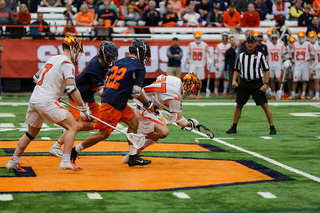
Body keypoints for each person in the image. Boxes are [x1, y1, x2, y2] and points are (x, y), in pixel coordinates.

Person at [70, 39, 159, 167]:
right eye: (145, 55)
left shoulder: (121, 61)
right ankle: (76, 149)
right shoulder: (139, 67)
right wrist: (149, 104)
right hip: (114, 102)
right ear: (140, 52)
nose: (145, 58)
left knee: (133, 122)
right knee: (103, 134)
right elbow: (136, 93)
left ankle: (133, 156)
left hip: (115, 98)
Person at [6, 35, 88, 172]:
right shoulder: (67, 64)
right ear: (73, 49)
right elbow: (71, 88)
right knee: (73, 126)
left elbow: (36, 77)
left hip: (35, 99)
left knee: (31, 133)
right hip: (46, 101)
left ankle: (13, 161)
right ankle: (66, 160)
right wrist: (82, 107)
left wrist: (52, 88)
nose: (77, 55)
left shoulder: (52, 58)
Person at [49, 41, 118, 157]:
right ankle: (56, 145)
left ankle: (68, 129)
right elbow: (102, 93)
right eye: (109, 56)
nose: (111, 59)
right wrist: (118, 92)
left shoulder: (101, 62)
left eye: (112, 57)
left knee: (99, 122)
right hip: (78, 96)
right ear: (103, 54)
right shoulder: (96, 68)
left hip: (88, 96)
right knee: (78, 125)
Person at [122, 73, 201, 164]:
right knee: (163, 132)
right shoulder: (175, 97)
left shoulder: (175, 79)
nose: (190, 95)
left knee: (155, 137)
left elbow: (160, 77)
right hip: (145, 109)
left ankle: (131, 155)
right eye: (191, 92)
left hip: (146, 105)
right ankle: (137, 136)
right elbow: (180, 122)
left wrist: (157, 98)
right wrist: (191, 123)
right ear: (187, 86)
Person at [226, 35, 276, 135]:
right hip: (244, 83)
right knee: (238, 105)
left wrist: (266, 84)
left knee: (265, 105)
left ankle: (272, 127)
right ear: (246, 44)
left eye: (251, 42)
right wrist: (234, 80)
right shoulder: (241, 56)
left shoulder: (260, 55)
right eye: (248, 42)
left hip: (256, 83)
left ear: (255, 44)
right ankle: (234, 126)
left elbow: (266, 70)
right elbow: (237, 70)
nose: (250, 44)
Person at [185, 31, 213, 99]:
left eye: (198, 37)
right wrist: (187, 62)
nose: (197, 39)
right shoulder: (191, 44)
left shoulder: (205, 45)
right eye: (196, 37)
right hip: (193, 64)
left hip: (201, 64)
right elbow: (188, 54)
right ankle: (190, 93)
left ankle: (197, 93)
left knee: (199, 80)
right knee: (191, 79)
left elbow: (210, 52)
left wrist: (210, 59)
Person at [287, 31, 314, 100]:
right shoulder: (295, 44)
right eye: (300, 37)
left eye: (302, 37)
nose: (301, 38)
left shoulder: (308, 44)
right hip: (297, 64)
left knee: (305, 80)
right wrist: (291, 60)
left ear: (304, 37)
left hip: (306, 64)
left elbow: (313, 54)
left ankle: (303, 95)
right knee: (295, 80)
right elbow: (292, 53)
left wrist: (312, 63)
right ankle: (292, 95)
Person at [266, 31, 286, 99]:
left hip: (278, 65)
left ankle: (281, 92)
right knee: (271, 79)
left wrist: (285, 61)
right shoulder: (268, 45)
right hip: (270, 65)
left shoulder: (281, 45)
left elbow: (283, 54)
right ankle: (274, 93)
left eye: (275, 38)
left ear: (277, 38)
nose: (274, 39)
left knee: (279, 80)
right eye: (273, 38)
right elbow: (267, 55)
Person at [212, 32, 231, 97]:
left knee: (226, 78)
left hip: (227, 64)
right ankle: (215, 92)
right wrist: (216, 64)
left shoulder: (230, 45)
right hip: (220, 63)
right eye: (224, 38)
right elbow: (216, 56)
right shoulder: (219, 46)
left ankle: (224, 92)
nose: (225, 39)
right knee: (217, 78)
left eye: (226, 38)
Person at [310, 32, 320, 100]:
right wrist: (312, 66)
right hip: (317, 65)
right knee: (316, 80)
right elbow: (313, 57)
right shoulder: (314, 46)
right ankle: (317, 95)